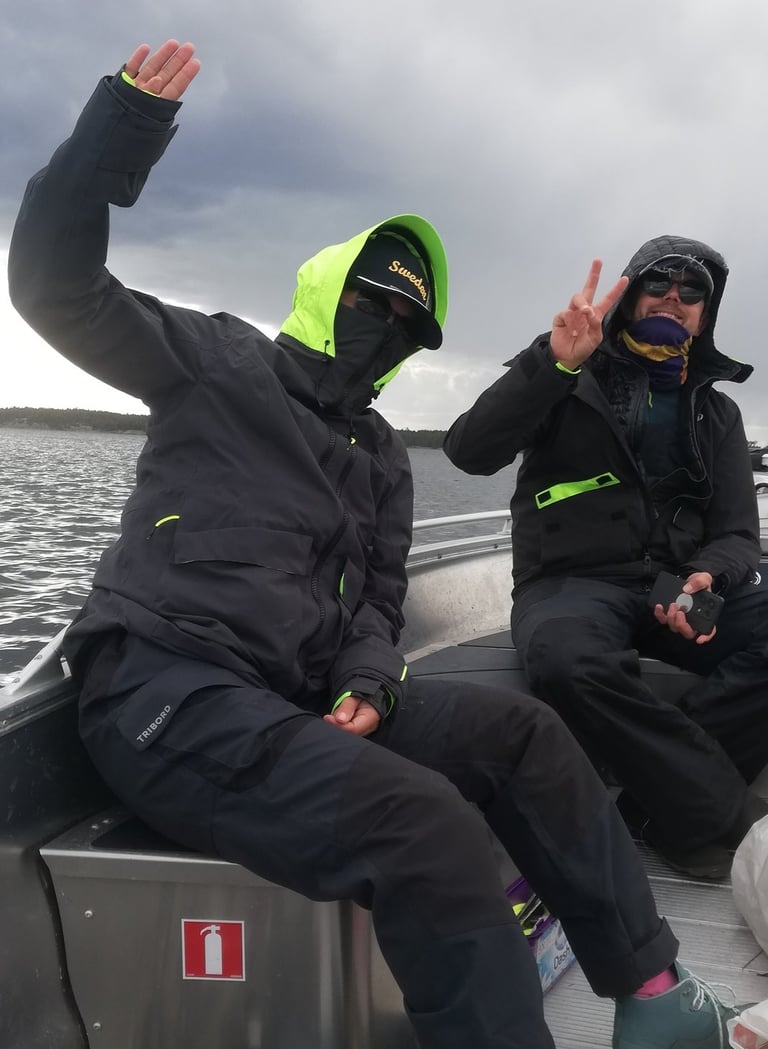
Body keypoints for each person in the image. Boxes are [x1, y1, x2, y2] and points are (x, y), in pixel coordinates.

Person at [8, 42, 747, 1049]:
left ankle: (655, 992)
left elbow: (378, 605)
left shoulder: (385, 457)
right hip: (165, 693)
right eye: (371, 301)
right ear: (326, 289)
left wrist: (372, 680)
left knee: (527, 736)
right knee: (425, 818)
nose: (384, 327)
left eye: (406, 320)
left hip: (305, 697)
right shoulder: (217, 363)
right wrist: (122, 129)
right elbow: (56, 285)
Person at [444, 241, 768, 882]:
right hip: (570, 581)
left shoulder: (718, 412)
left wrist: (707, 579)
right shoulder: (569, 370)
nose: (673, 296)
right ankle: (720, 815)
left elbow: (736, 534)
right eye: (658, 281)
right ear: (628, 295)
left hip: (675, 581)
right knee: (567, 661)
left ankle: (657, 806)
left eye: (692, 290)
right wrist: (553, 364)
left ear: (705, 315)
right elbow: (469, 451)